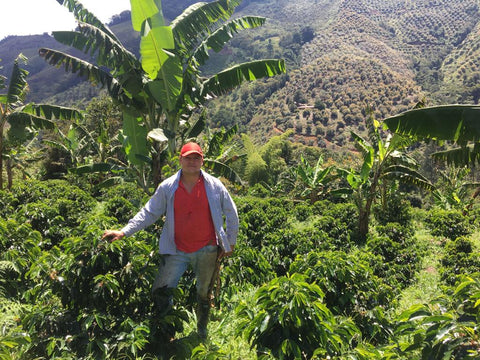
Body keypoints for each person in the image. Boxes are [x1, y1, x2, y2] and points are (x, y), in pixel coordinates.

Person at [102, 142, 239, 339]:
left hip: (207, 248)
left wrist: (230, 241)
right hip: (177, 249)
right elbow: (149, 212)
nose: (192, 162)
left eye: (196, 158)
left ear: (202, 161)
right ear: (180, 160)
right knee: (162, 289)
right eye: (188, 158)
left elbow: (231, 212)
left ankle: (202, 329)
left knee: (203, 292)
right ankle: (165, 330)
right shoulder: (168, 187)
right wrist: (124, 232)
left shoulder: (214, 185)